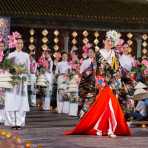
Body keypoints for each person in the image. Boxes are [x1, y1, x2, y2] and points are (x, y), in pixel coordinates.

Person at [65, 76, 131, 137]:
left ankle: (110, 129)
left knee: (110, 110)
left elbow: (116, 84)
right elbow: (99, 85)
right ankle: (109, 130)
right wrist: (103, 84)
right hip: (105, 93)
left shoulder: (114, 70)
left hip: (110, 94)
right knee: (107, 110)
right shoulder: (99, 74)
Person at [4, 38, 30, 129]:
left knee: (21, 101)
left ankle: (19, 122)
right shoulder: (11, 55)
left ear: (23, 45)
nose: (20, 45)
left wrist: (26, 77)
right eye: (18, 43)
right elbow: (6, 68)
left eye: (21, 43)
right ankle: (11, 122)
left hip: (22, 80)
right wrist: (13, 71)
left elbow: (28, 69)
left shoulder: (26, 55)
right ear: (15, 44)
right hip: (13, 79)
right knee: (11, 99)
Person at [79, 48, 96, 117]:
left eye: (92, 52)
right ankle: (83, 113)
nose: (90, 53)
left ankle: (91, 114)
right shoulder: (85, 61)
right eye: (89, 52)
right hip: (86, 82)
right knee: (87, 98)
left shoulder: (97, 62)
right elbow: (81, 72)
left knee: (94, 98)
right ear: (87, 53)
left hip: (96, 82)